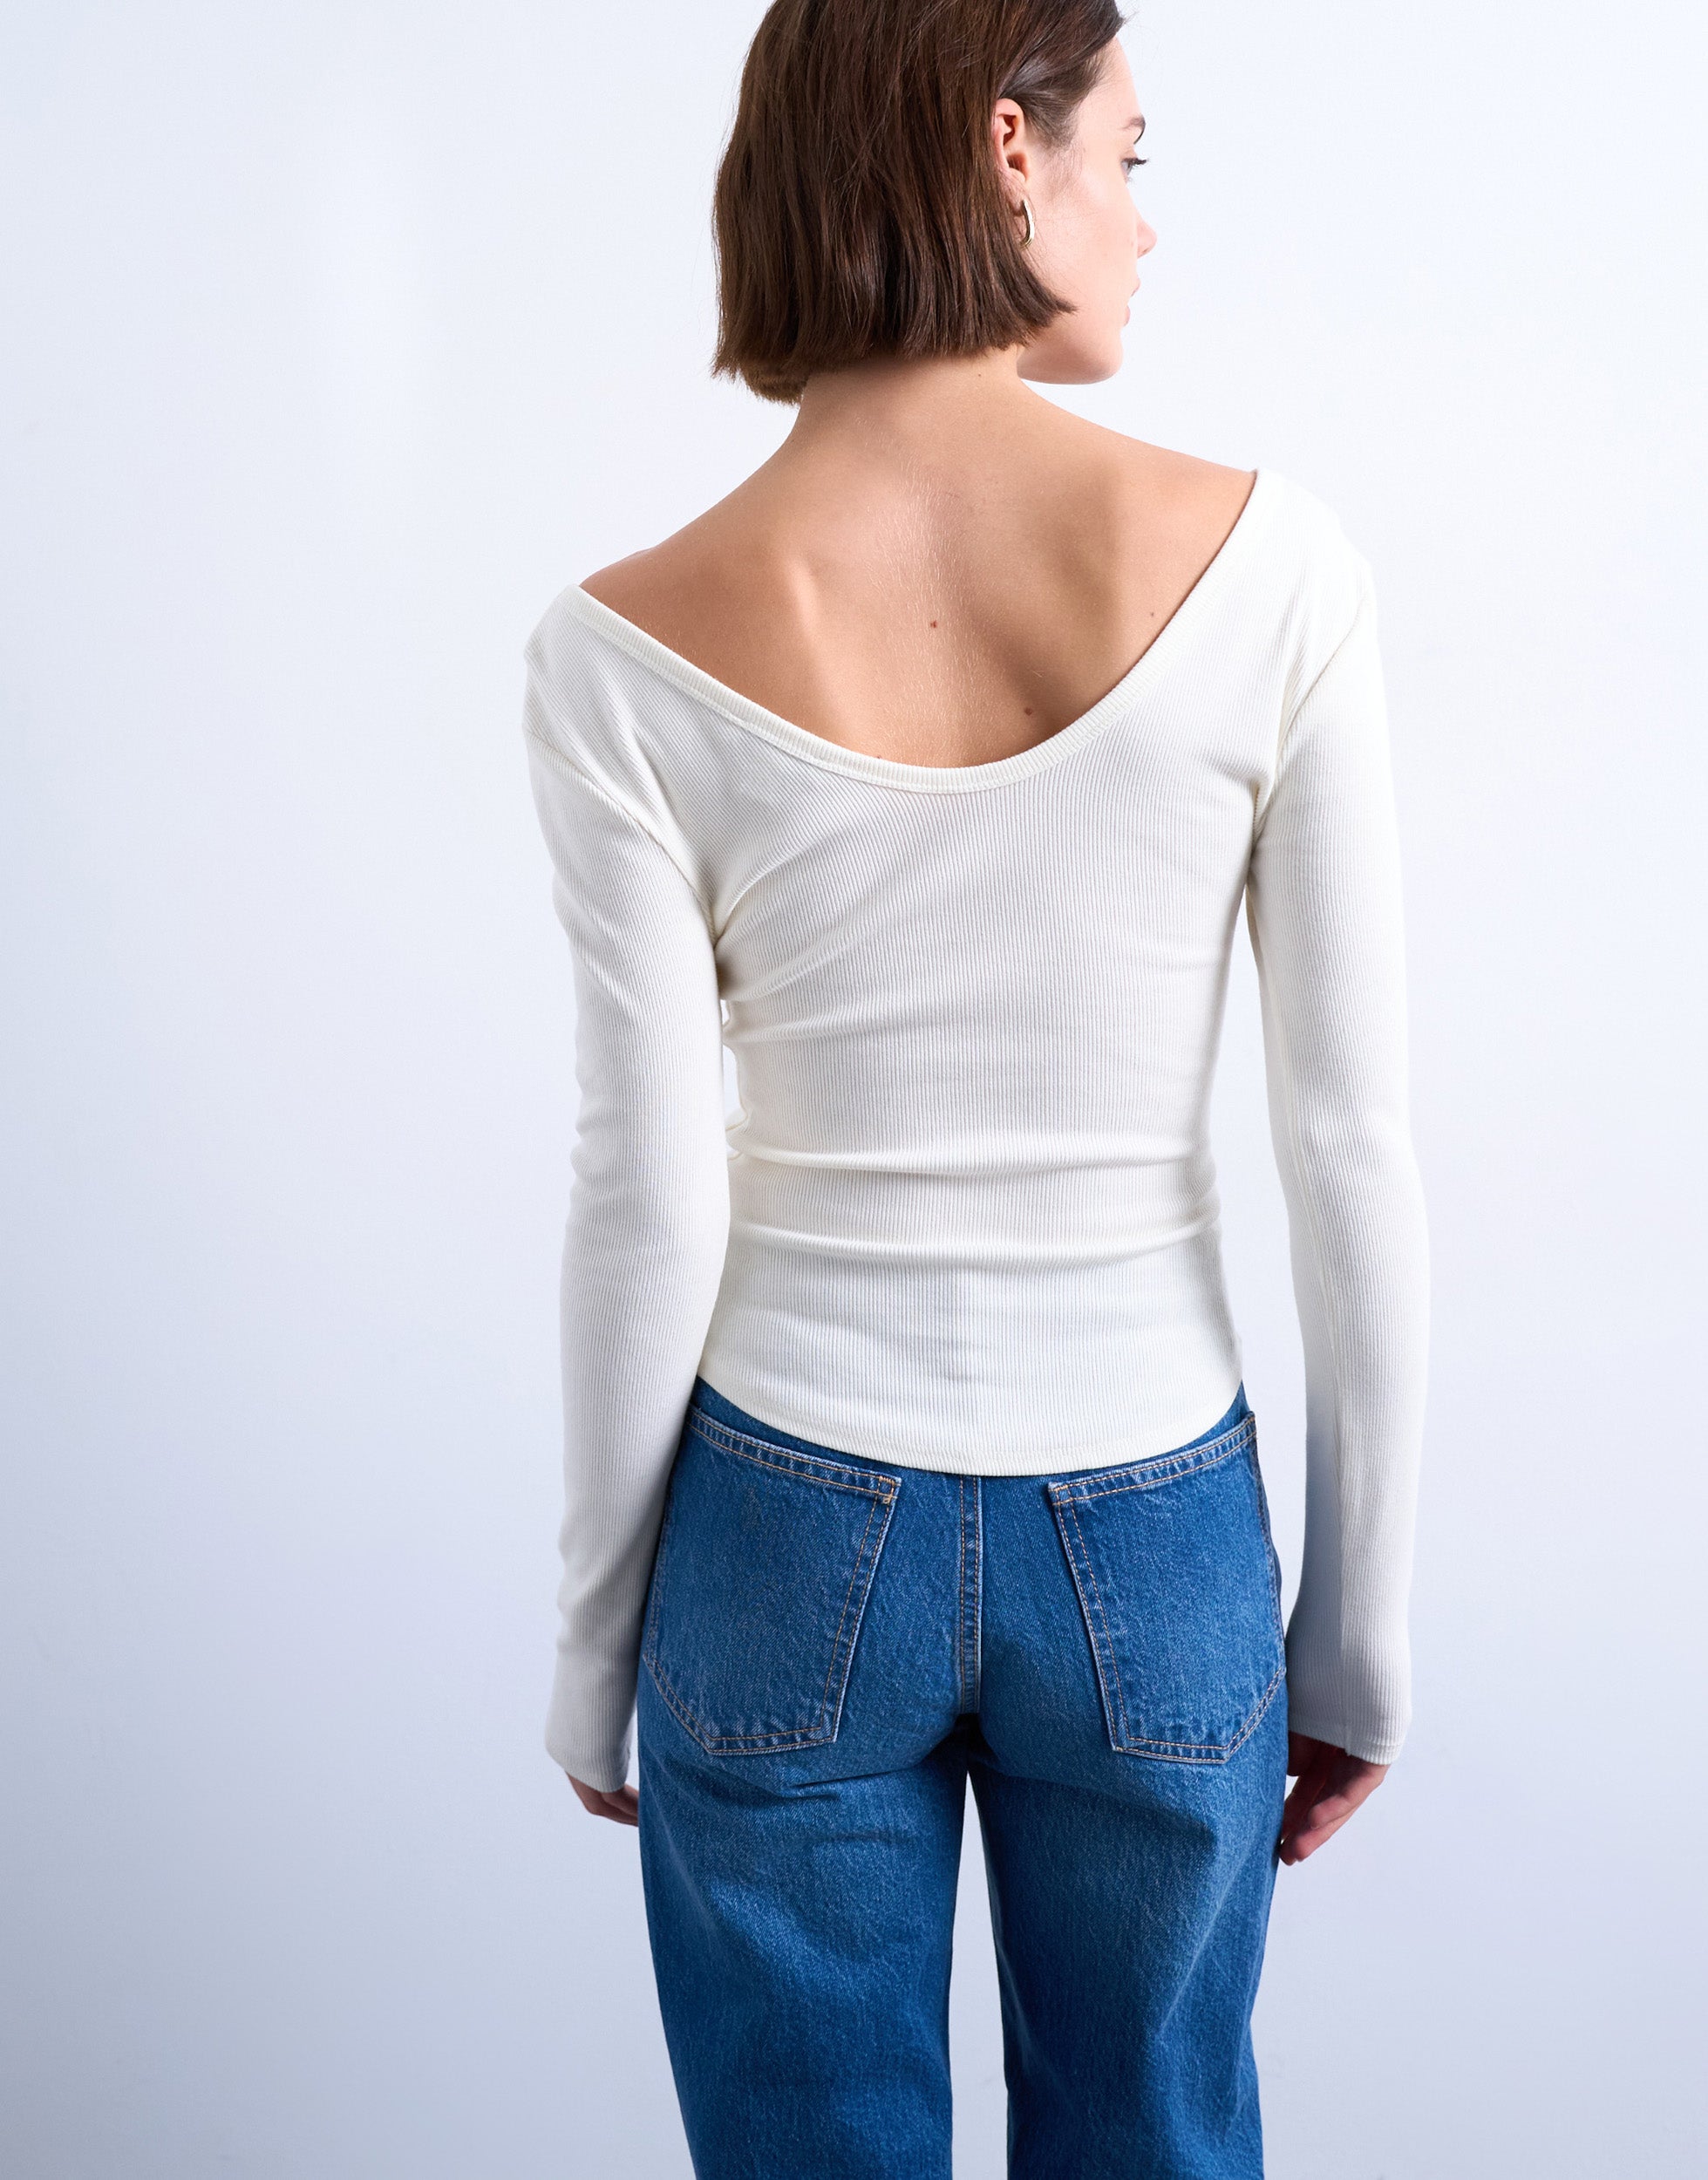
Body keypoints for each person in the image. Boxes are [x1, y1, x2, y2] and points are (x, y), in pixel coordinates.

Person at [520, 1, 1430, 2171]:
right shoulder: (1273, 573)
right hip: (1152, 1528)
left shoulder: (615, 648)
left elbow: (646, 1190)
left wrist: (592, 1643)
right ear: (1002, 146)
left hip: (776, 1524)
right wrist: (1355, 1640)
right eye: (1128, 154)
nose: (1144, 222)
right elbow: (1347, 1149)